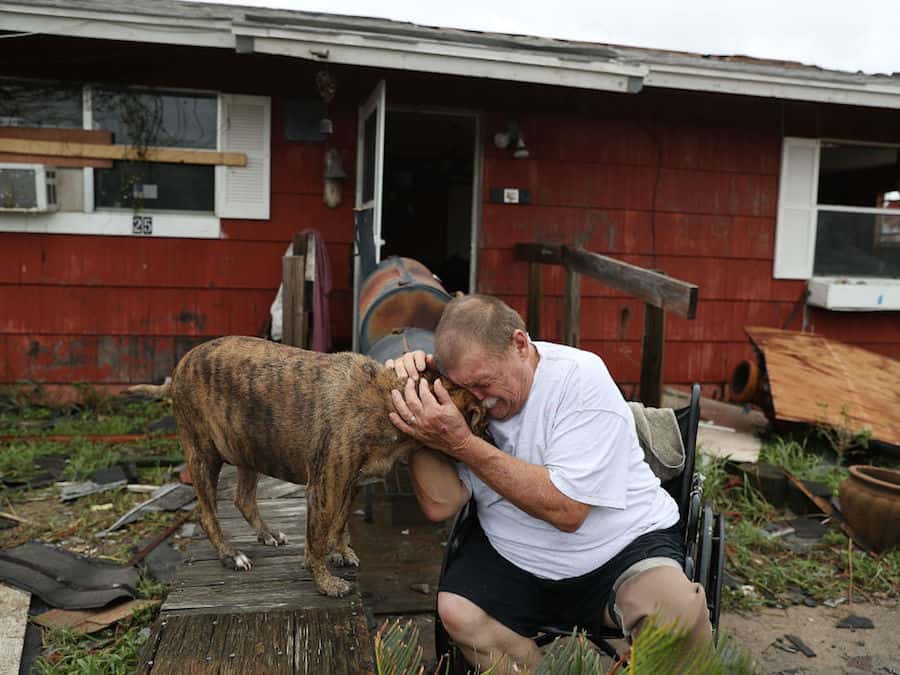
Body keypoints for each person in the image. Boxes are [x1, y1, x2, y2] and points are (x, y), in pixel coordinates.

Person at [386, 294, 712, 671]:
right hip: (515, 556)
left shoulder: (579, 377)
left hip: (619, 548)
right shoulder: (459, 394)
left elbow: (568, 510)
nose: (478, 401)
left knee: (678, 614)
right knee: (458, 611)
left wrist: (462, 443)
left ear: (520, 345)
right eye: (465, 388)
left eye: (484, 383)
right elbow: (441, 504)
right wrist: (415, 416)